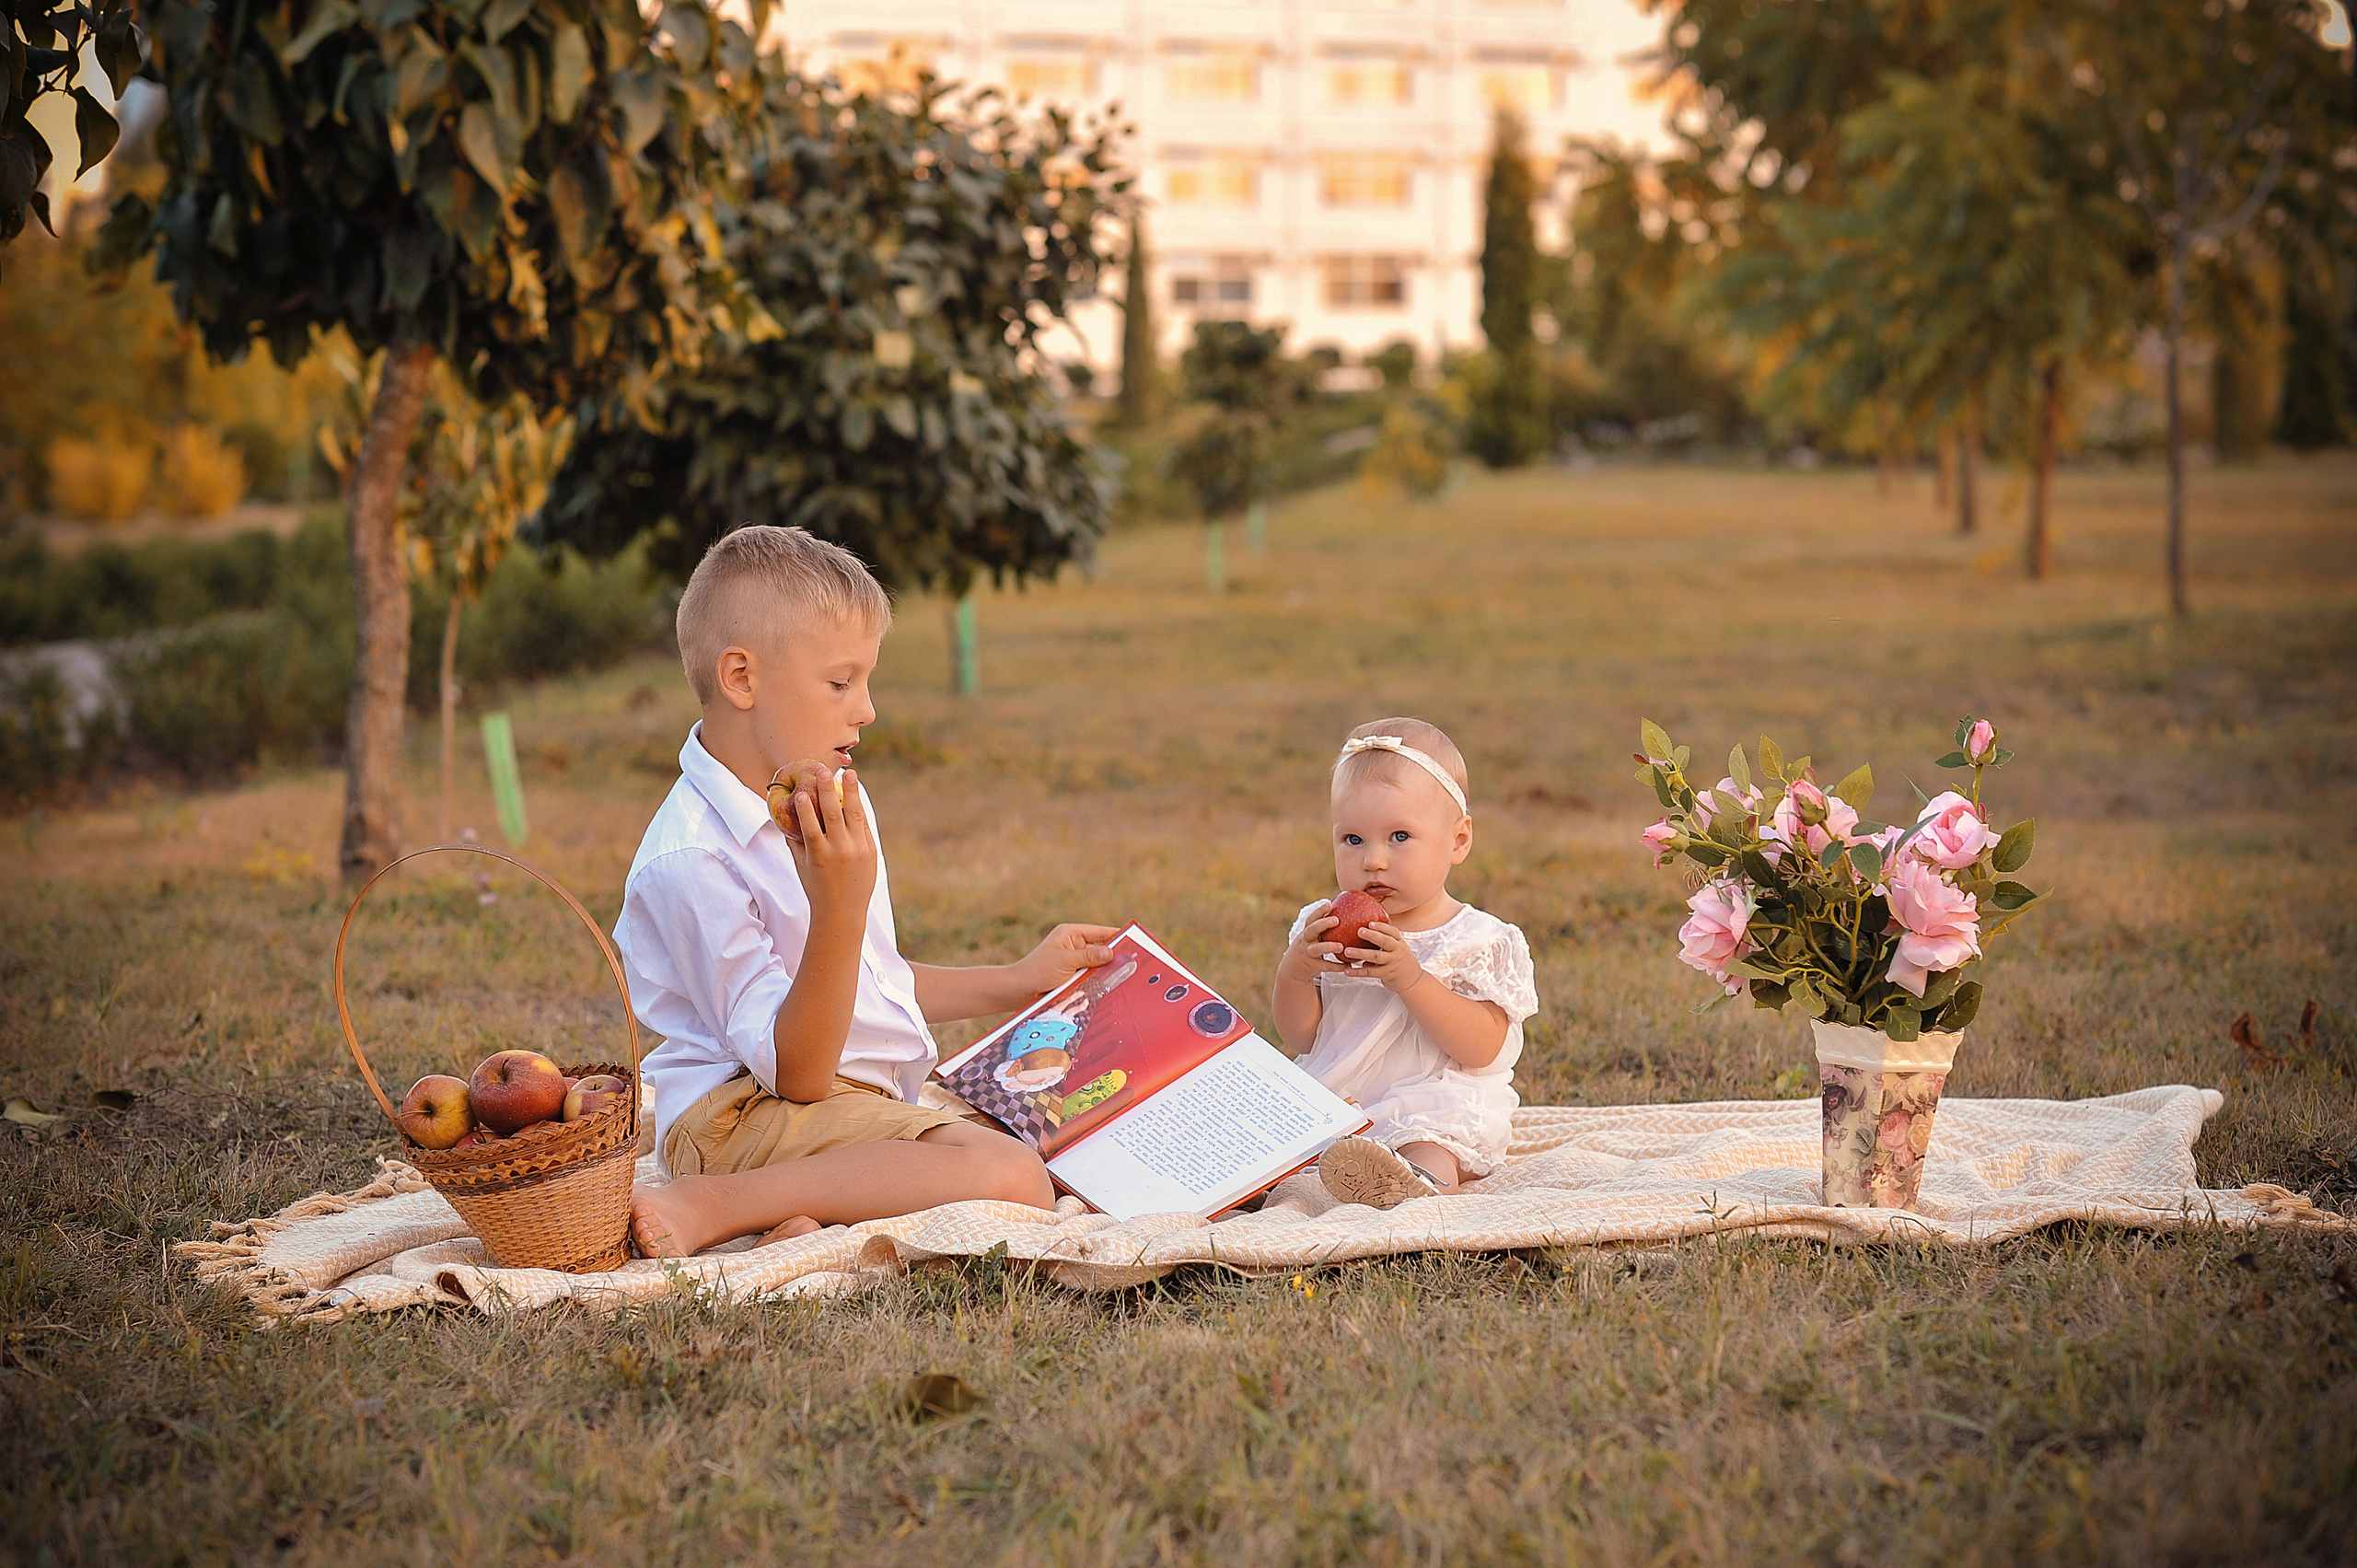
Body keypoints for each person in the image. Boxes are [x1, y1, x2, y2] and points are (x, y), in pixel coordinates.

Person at [618, 525, 1117, 1258]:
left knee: (1057, 1139)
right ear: (742, 679)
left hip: (831, 1106)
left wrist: (1020, 979)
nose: (867, 709)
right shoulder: (691, 859)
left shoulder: (830, 795)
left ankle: (800, 1214)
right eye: (840, 682)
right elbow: (797, 1072)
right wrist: (839, 906)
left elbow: (869, 980)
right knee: (1014, 1177)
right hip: (735, 1118)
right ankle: (712, 1202)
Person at [1271, 718, 1538, 1209]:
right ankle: (1274, 1182)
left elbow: (1483, 1048)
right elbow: (1302, 1038)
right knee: (1274, 1136)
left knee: (1431, 1142)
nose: (1373, 860)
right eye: (1353, 840)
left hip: (1430, 1099)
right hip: (1340, 1097)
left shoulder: (1478, 939)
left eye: (1399, 836)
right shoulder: (1324, 926)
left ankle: (1418, 1185)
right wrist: (1296, 972)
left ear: (1458, 841)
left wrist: (1411, 980)